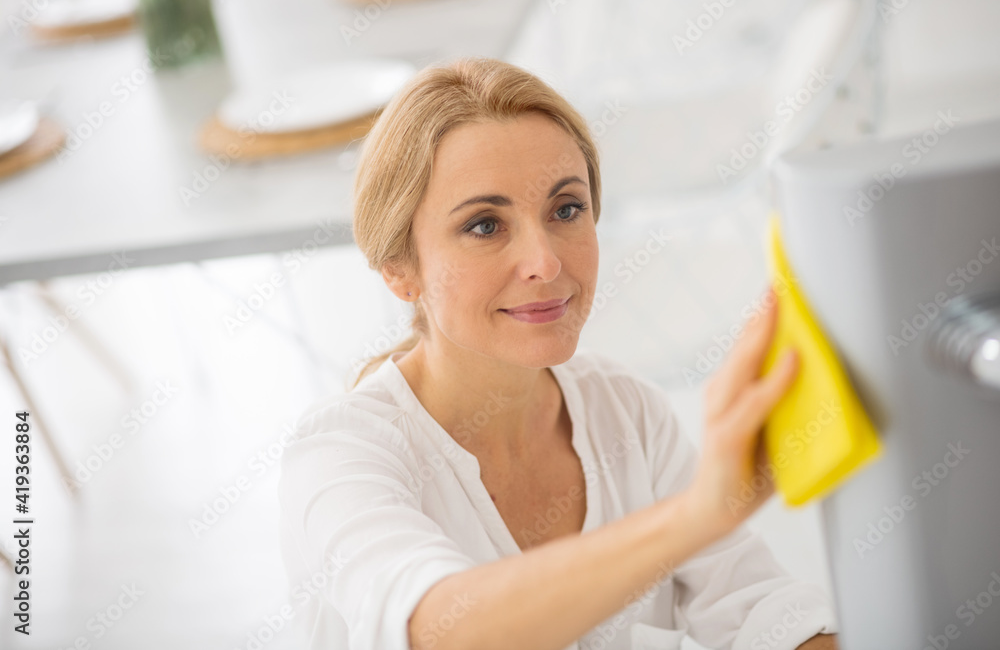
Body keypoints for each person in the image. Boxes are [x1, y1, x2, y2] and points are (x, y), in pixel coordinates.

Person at [277, 56, 840, 650]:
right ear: (399, 269)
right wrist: (697, 515)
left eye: (566, 209)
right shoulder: (339, 455)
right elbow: (436, 628)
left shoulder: (625, 411)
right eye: (485, 226)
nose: (545, 263)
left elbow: (764, 613)